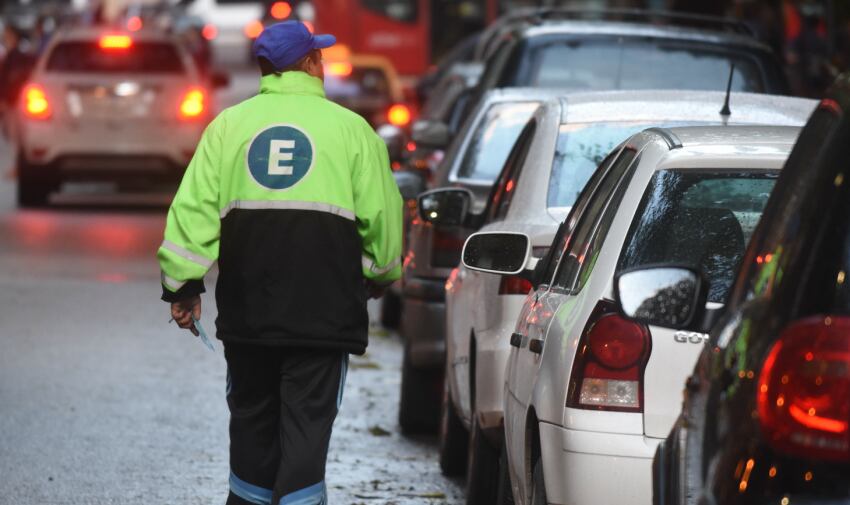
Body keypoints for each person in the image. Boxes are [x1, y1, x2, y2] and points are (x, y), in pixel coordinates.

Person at [157, 20, 402, 505]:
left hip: (250, 319)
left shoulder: (228, 127)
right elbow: (384, 225)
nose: (324, 63)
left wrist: (182, 286)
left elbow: (192, 213)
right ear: (310, 64)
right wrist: (377, 276)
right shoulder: (354, 132)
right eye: (320, 55)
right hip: (322, 319)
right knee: (306, 434)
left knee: (251, 427)